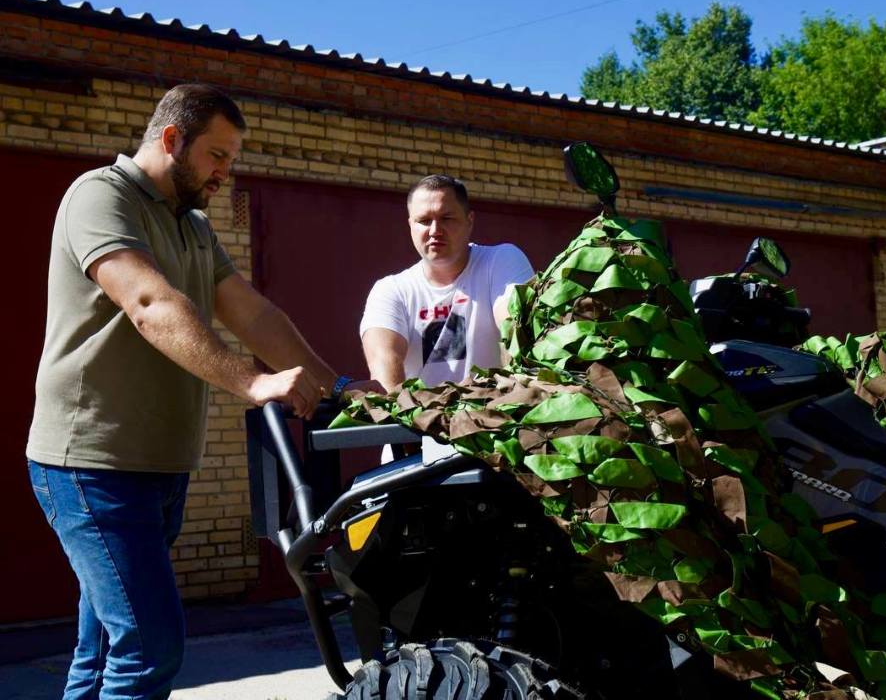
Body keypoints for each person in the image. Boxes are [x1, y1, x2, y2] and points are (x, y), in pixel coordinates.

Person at [25, 83, 380, 700]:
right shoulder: (99, 197)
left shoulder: (190, 225)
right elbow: (147, 302)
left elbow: (253, 315)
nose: (226, 172)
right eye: (218, 155)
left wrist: (339, 386)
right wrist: (252, 381)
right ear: (171, 140)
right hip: (92, 465)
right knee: (149, 647)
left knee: (105, 650)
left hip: (159, 467)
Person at [360, 174, 534, 392]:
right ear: (410, 225)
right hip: (419, 421)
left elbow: (515, 328)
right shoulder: (391, 290)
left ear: (469, 221)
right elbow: (384, 371)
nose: (435, 230)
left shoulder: (501, 260)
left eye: (447, 218)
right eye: (424, 221)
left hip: (494, 415)